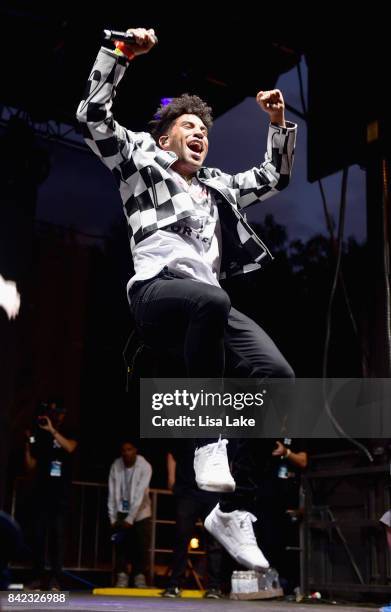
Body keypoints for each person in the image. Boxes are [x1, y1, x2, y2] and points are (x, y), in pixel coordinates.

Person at [76, 27, 297, 571]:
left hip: (206, 303)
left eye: (205, 129)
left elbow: (275, 176)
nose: (199, 134)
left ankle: (232, 508)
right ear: (168, 136)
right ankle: (206, 439)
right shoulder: (141, 162)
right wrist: (120, 54)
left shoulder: (217, 185)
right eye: (189, 127)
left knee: (278, 375)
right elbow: (93, 119)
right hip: (156, 295)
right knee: (210, 301)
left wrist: (276, 125)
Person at [24, 400, 78, 591]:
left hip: (61, 493)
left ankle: (56, 577)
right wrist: (29, 442)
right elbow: (31, 465)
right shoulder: (40, 433)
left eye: (60, 412)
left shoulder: (69, 430)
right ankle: (38, 576)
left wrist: (52, 430)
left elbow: (70, 447)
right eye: (54, 412)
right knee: (38, 535)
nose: (57, 415)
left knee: (58, 536)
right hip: (41, 491)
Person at [162, 440, 225, 598]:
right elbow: (172, 453)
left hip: (212, 491)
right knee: (181, 538)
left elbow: (227, 458)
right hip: (187, 491)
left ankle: (214, 587)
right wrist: (171, 479)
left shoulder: (218, 432)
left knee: (215, 542)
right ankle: (175, 584)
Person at [256, 438, 308, 594]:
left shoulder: (299, 434)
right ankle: (269, 586)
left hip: (289, 500)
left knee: (289, 544)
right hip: (266, 499)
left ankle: (293, 587)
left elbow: (303, 461)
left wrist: (286, 452)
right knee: (266, 543)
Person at [108, 441, 152, 588]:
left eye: (129, 449)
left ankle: (139, 575)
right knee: (121, 544)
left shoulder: (144, 466)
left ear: (135, 450)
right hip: (121, 510)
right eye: (123, 450)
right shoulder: (116, 465)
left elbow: (140, 493)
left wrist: (131, 518)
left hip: (141, 512)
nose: (126, 453)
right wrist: (112, 517)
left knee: (141, 544)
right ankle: (122, 575)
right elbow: (112, 491)